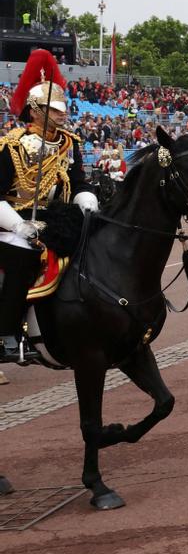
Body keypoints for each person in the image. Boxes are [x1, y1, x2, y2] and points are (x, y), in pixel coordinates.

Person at [0, 51, 97, 367]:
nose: (63, 113)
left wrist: (86, 199)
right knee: (23, 255)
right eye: (55, 109)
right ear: (36, 111)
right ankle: (7, 335)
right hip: (14, 220)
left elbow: (78, 181)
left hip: (58, 218)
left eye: (63, 108)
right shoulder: (13, 144)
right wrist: (17, 225)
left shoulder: (71, 144)